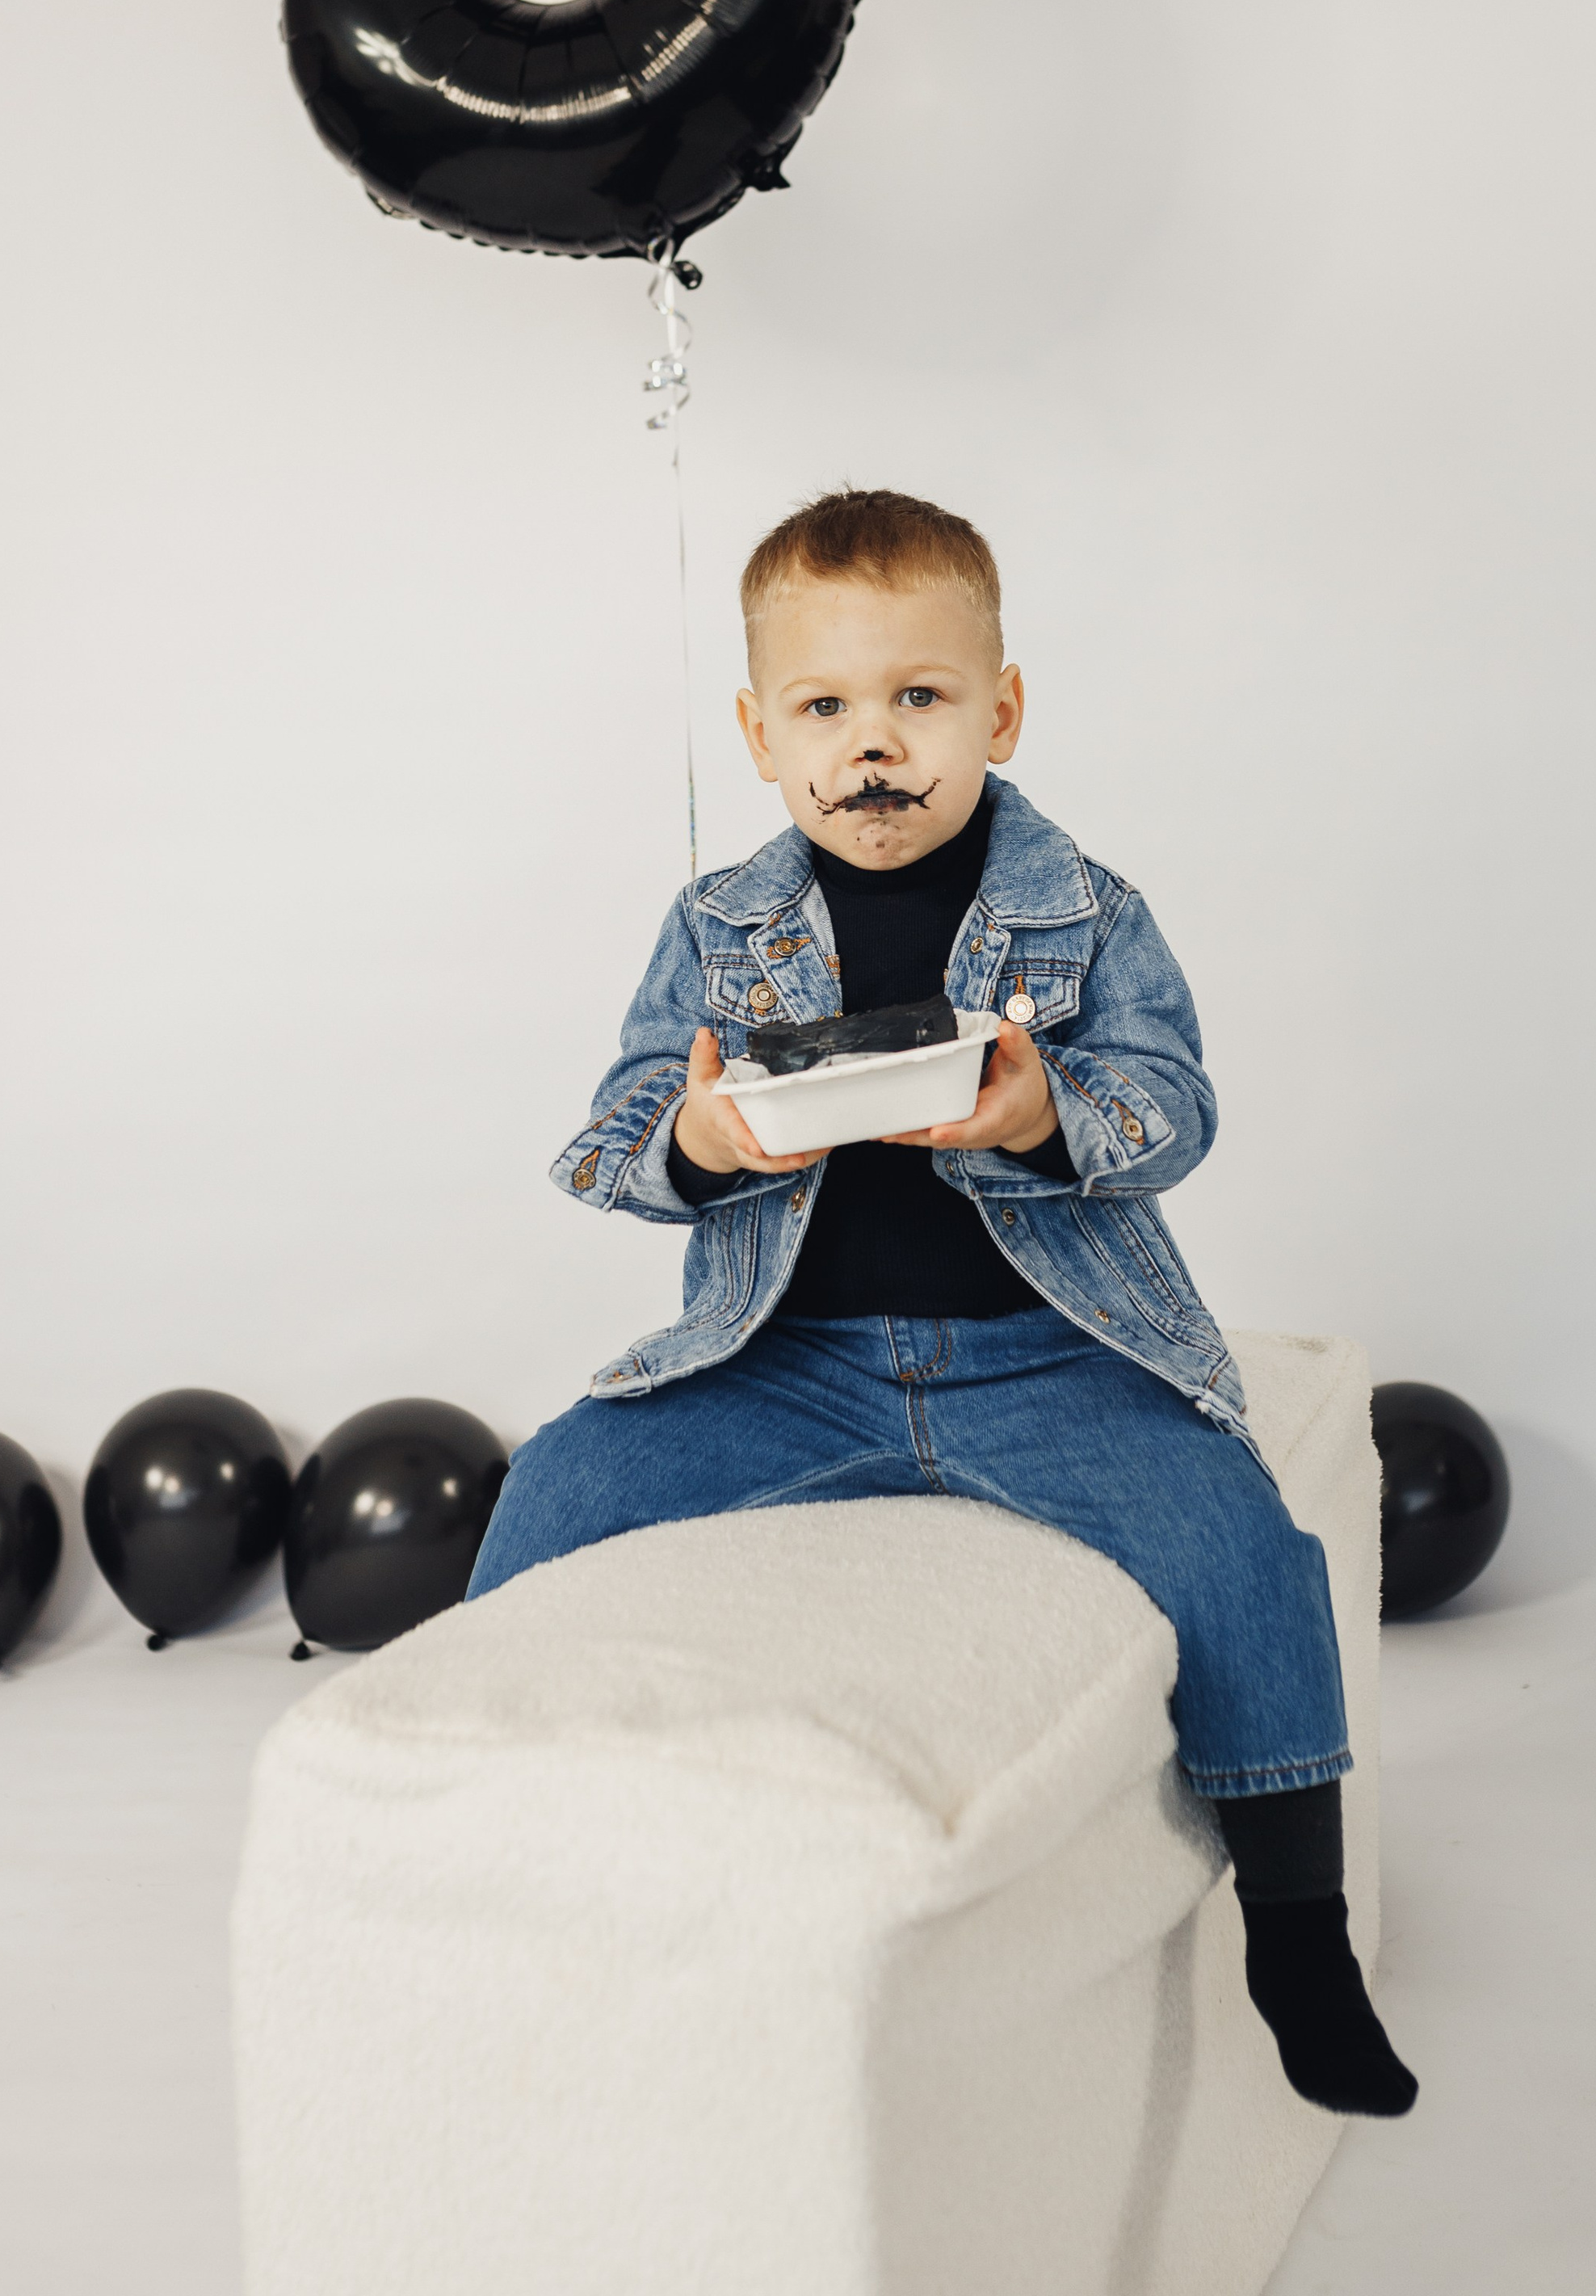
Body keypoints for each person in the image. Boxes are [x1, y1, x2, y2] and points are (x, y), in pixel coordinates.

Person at [469, 486, 1416, 2117]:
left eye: (918, 699)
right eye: (827, 709)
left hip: (1045, 1357)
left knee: (1242, 1546)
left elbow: (1174, 1108)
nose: (874, 748)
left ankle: (1297, 1936)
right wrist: (694, 1145)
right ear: (762, 737)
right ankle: (471, 1835)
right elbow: (606, 1141)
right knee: (562, 1475)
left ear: (1000, 709)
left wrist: (1041, 1114)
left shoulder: (1083, 909)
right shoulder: (721, 926)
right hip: (790, 1363)